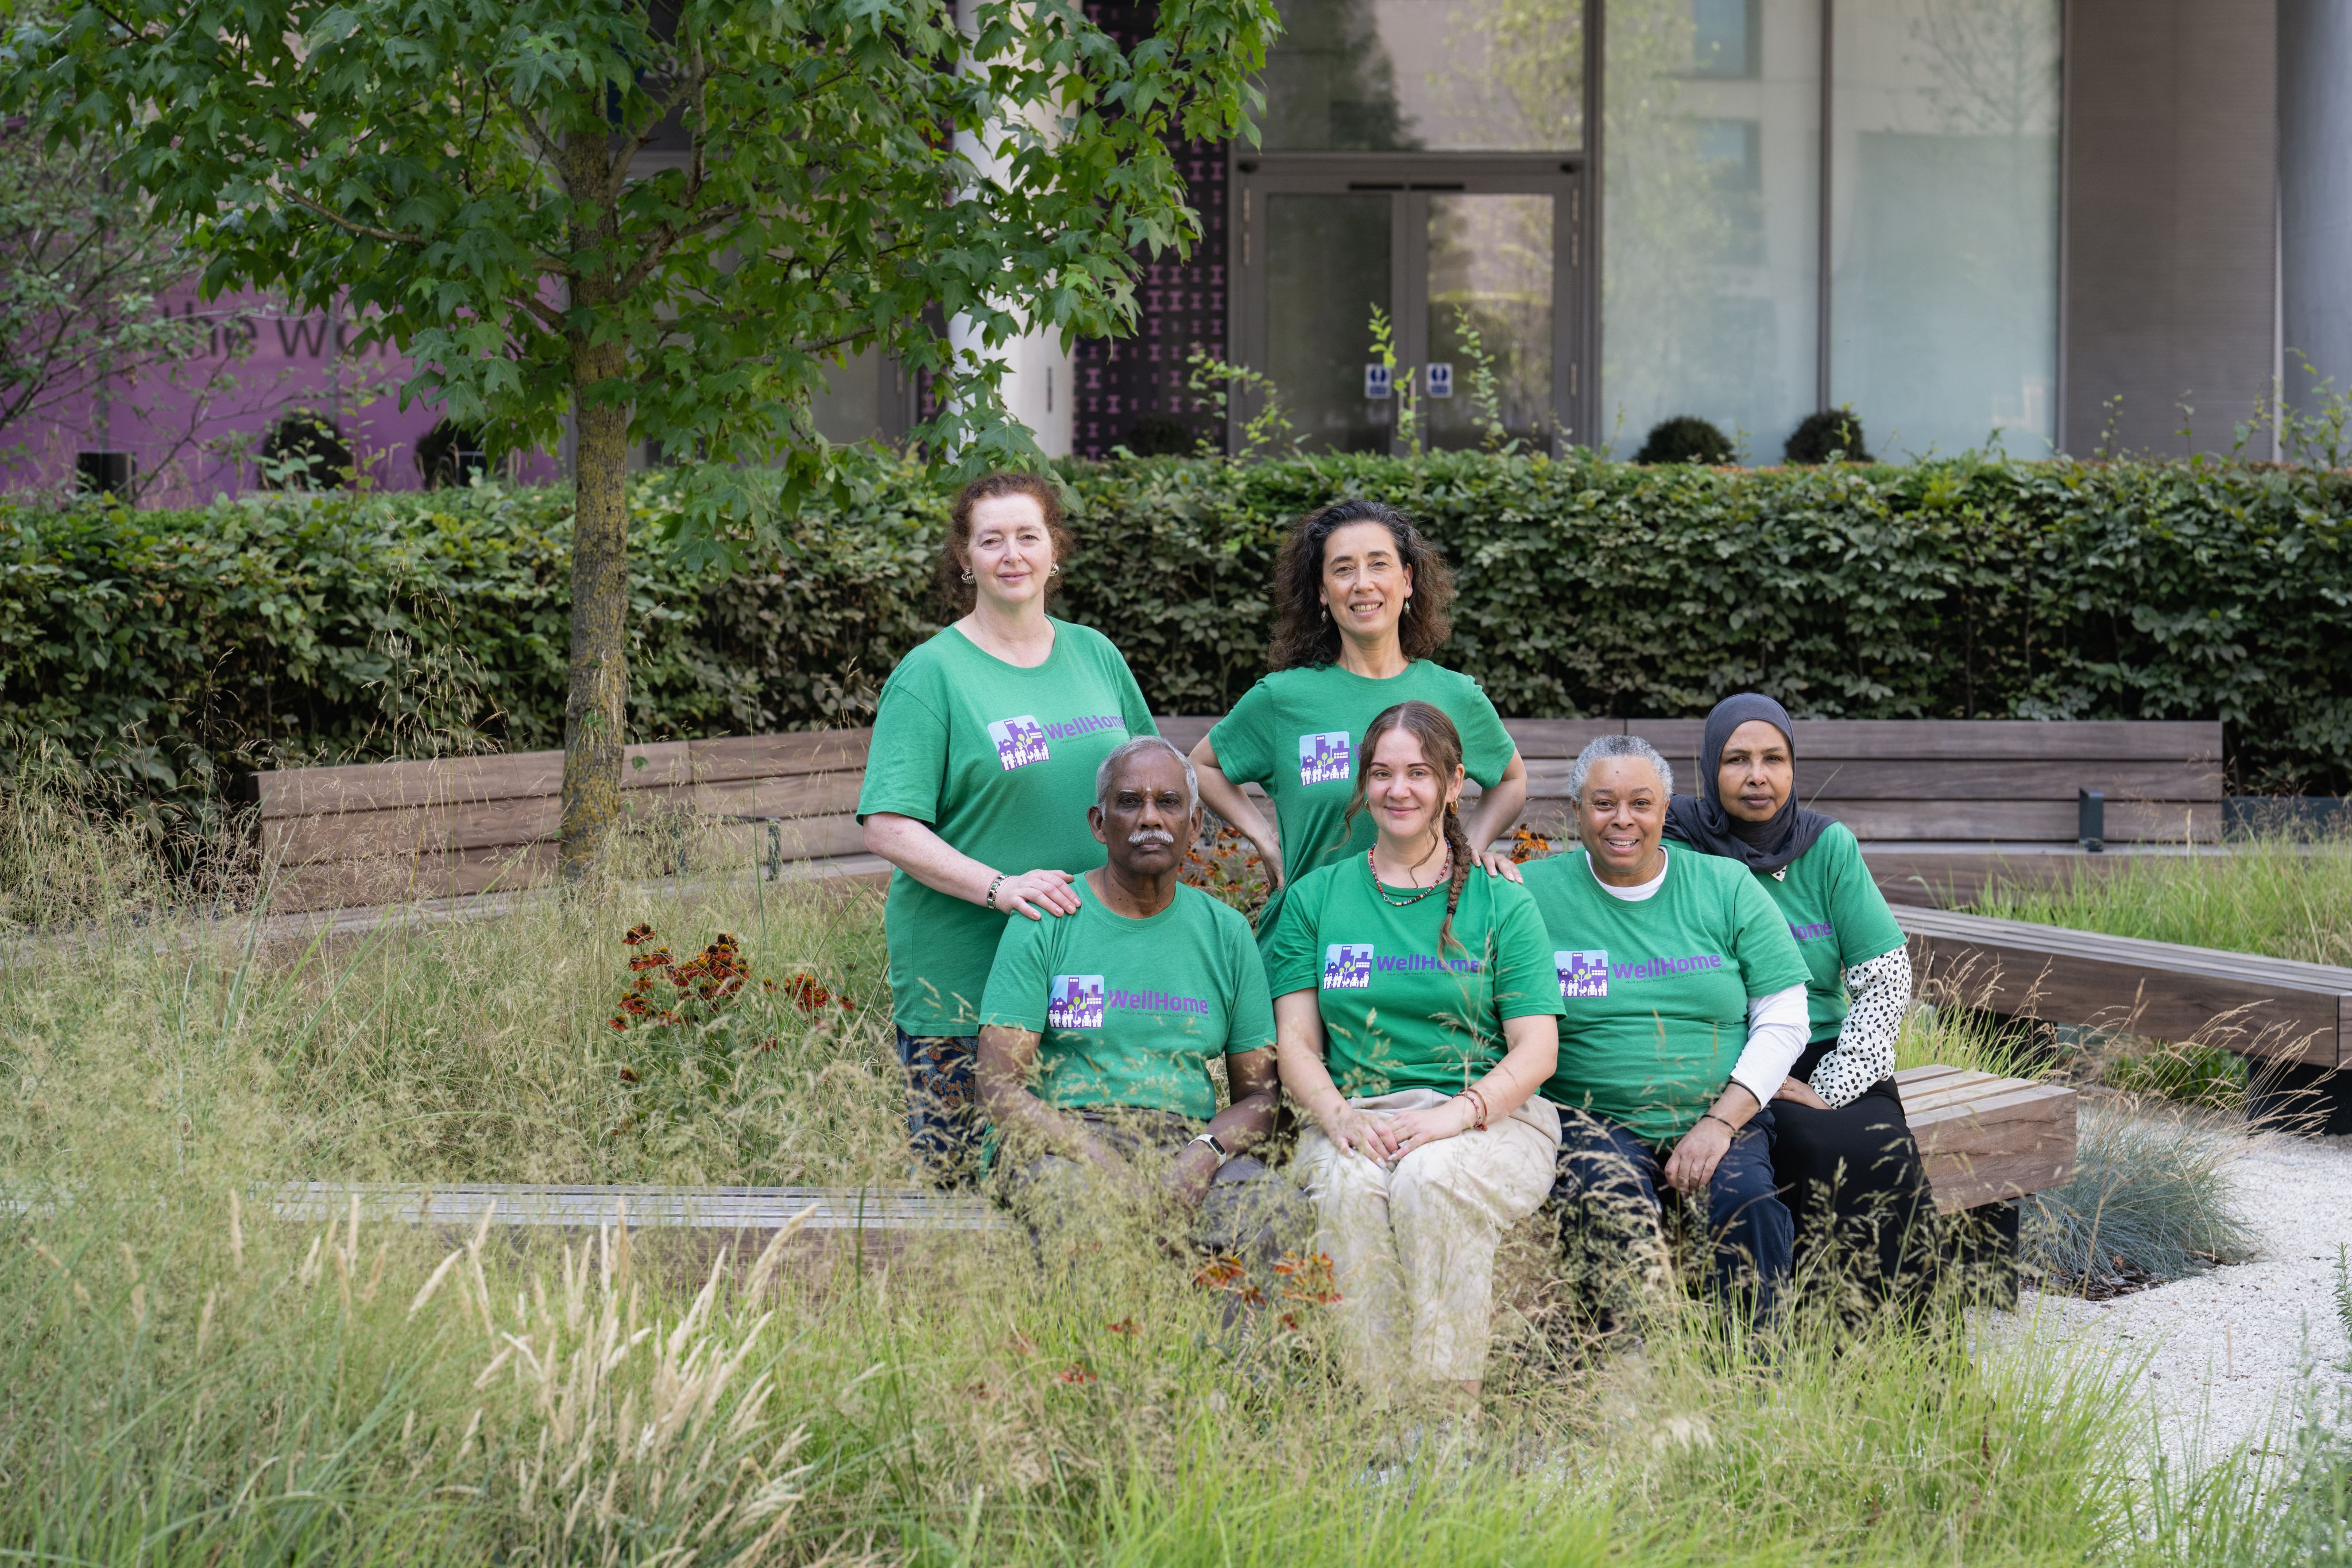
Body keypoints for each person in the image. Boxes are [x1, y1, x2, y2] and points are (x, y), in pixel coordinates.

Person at [859, 472, 1156, 1184]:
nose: (1012, 554)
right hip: (966, 970)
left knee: (1079, 1171)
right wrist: (1001, 887)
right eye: (990, 540)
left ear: (1055, 550)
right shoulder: (932, 674)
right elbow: (889, 825)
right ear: (965, 559)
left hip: (1084, 959)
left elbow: (1153, 777)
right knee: (959, 1183)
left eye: (1029, 536)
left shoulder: (1094, 655)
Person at [1265, 701, 1562, 1395]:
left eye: (1418, 773)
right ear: (1363, 784)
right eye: (1381, 773)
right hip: (1358, 1112)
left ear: (1455, 784)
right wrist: (1338, 1117)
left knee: (1431, 1180)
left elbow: (1536, 1049)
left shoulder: (1501, 899)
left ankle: (1439, 1424)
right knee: (1347, 1185)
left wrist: (1454, 1116)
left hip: (1488, 1119)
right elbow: (1297, 1044)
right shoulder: (1317, 899)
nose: (1397, 790)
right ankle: (1380, 1416)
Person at [1520, 734, 1813, 1325]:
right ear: (1576, 810)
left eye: (1641, 803)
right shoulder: (1530, 893)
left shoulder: (1726, 886)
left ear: (1665, 810)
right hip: (1590, 1118)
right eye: (1603, 803)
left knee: (1748, 1201)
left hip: (1719, 1113)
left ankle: (1755, 1375)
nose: (1621, 820)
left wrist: (1721, 1120)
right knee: (1609, 1201)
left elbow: (1785, 1017)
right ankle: (1631, 1374)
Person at [976, 735, 1301, 1265]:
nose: (1150, 817)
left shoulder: (1226, 933)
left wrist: (1203, 1154)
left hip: (1183, 1142)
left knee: (1272, 1210)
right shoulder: (1047, 919)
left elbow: (1261, 1099)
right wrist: (1095, 1155)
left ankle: (1215, 1352)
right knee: (1080, 1208)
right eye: (1130, 801)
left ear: (1195, 825)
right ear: (1099, 823)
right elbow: (997, 1086)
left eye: (1168, 802)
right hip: (1061, 1141)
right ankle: (1086, 1350)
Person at [1664, 694, 1929, 1308]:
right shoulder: (1678, 846)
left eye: (1773, 758)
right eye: (1737, 759)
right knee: (1795, 1148)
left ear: (1792, 766)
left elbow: (1885, 979)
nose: (1757, 775)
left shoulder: (1826, 847)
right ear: (1709, 766)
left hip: (1823, 1058)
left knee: (1872, 1149)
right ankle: (1792, 1326)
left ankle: (1894, 1338)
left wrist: (1833, 1084)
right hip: (1721, 1064)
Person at [1190, 499, 1529, 964]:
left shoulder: (1455, 696)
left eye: (1379, 565)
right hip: (1306, 950)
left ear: (1407, 581)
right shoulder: (1282, 699)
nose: (1363, 584)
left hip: (1422, 951)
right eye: (1343, 569)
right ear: (1323, 592)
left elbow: (1511, 780)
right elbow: (1202, 765)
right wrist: (1268, 843)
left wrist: (1468, 851)